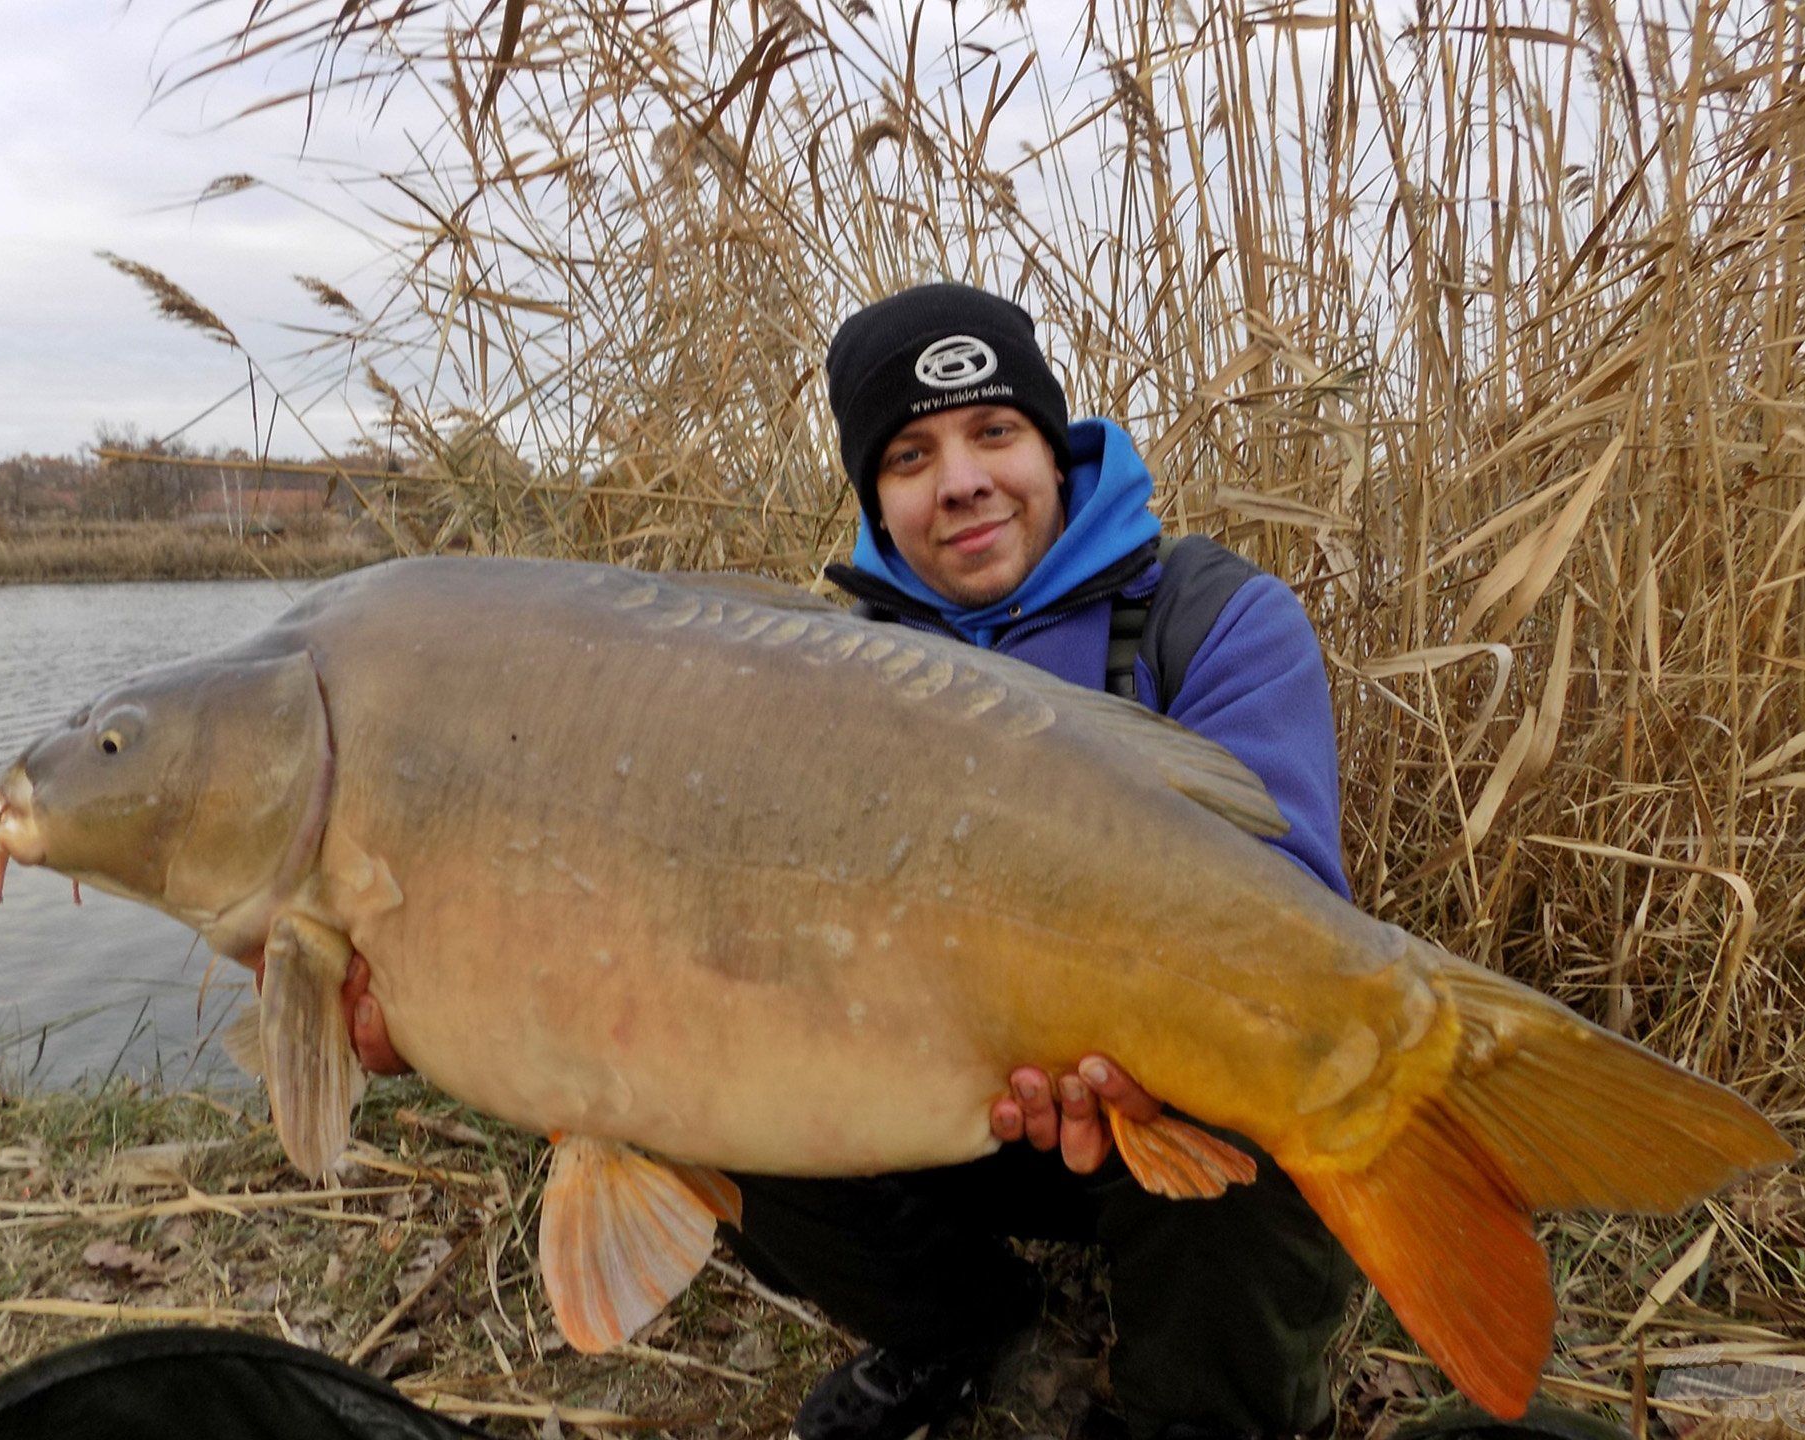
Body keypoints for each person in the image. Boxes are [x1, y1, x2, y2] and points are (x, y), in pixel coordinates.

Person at [338, 282, 1357, 1440]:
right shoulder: (804, 676)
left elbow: (1296, 922)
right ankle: (975, 1337)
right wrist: (451, 999)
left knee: (1283, 1075)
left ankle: (1217, 1415)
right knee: (693, 1074)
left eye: (994, 432)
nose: (962, 478)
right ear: (876, 498)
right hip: (925, 1096)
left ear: (1054, 450)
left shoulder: (1211, 618)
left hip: (1152, 1095)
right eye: (911, 455)